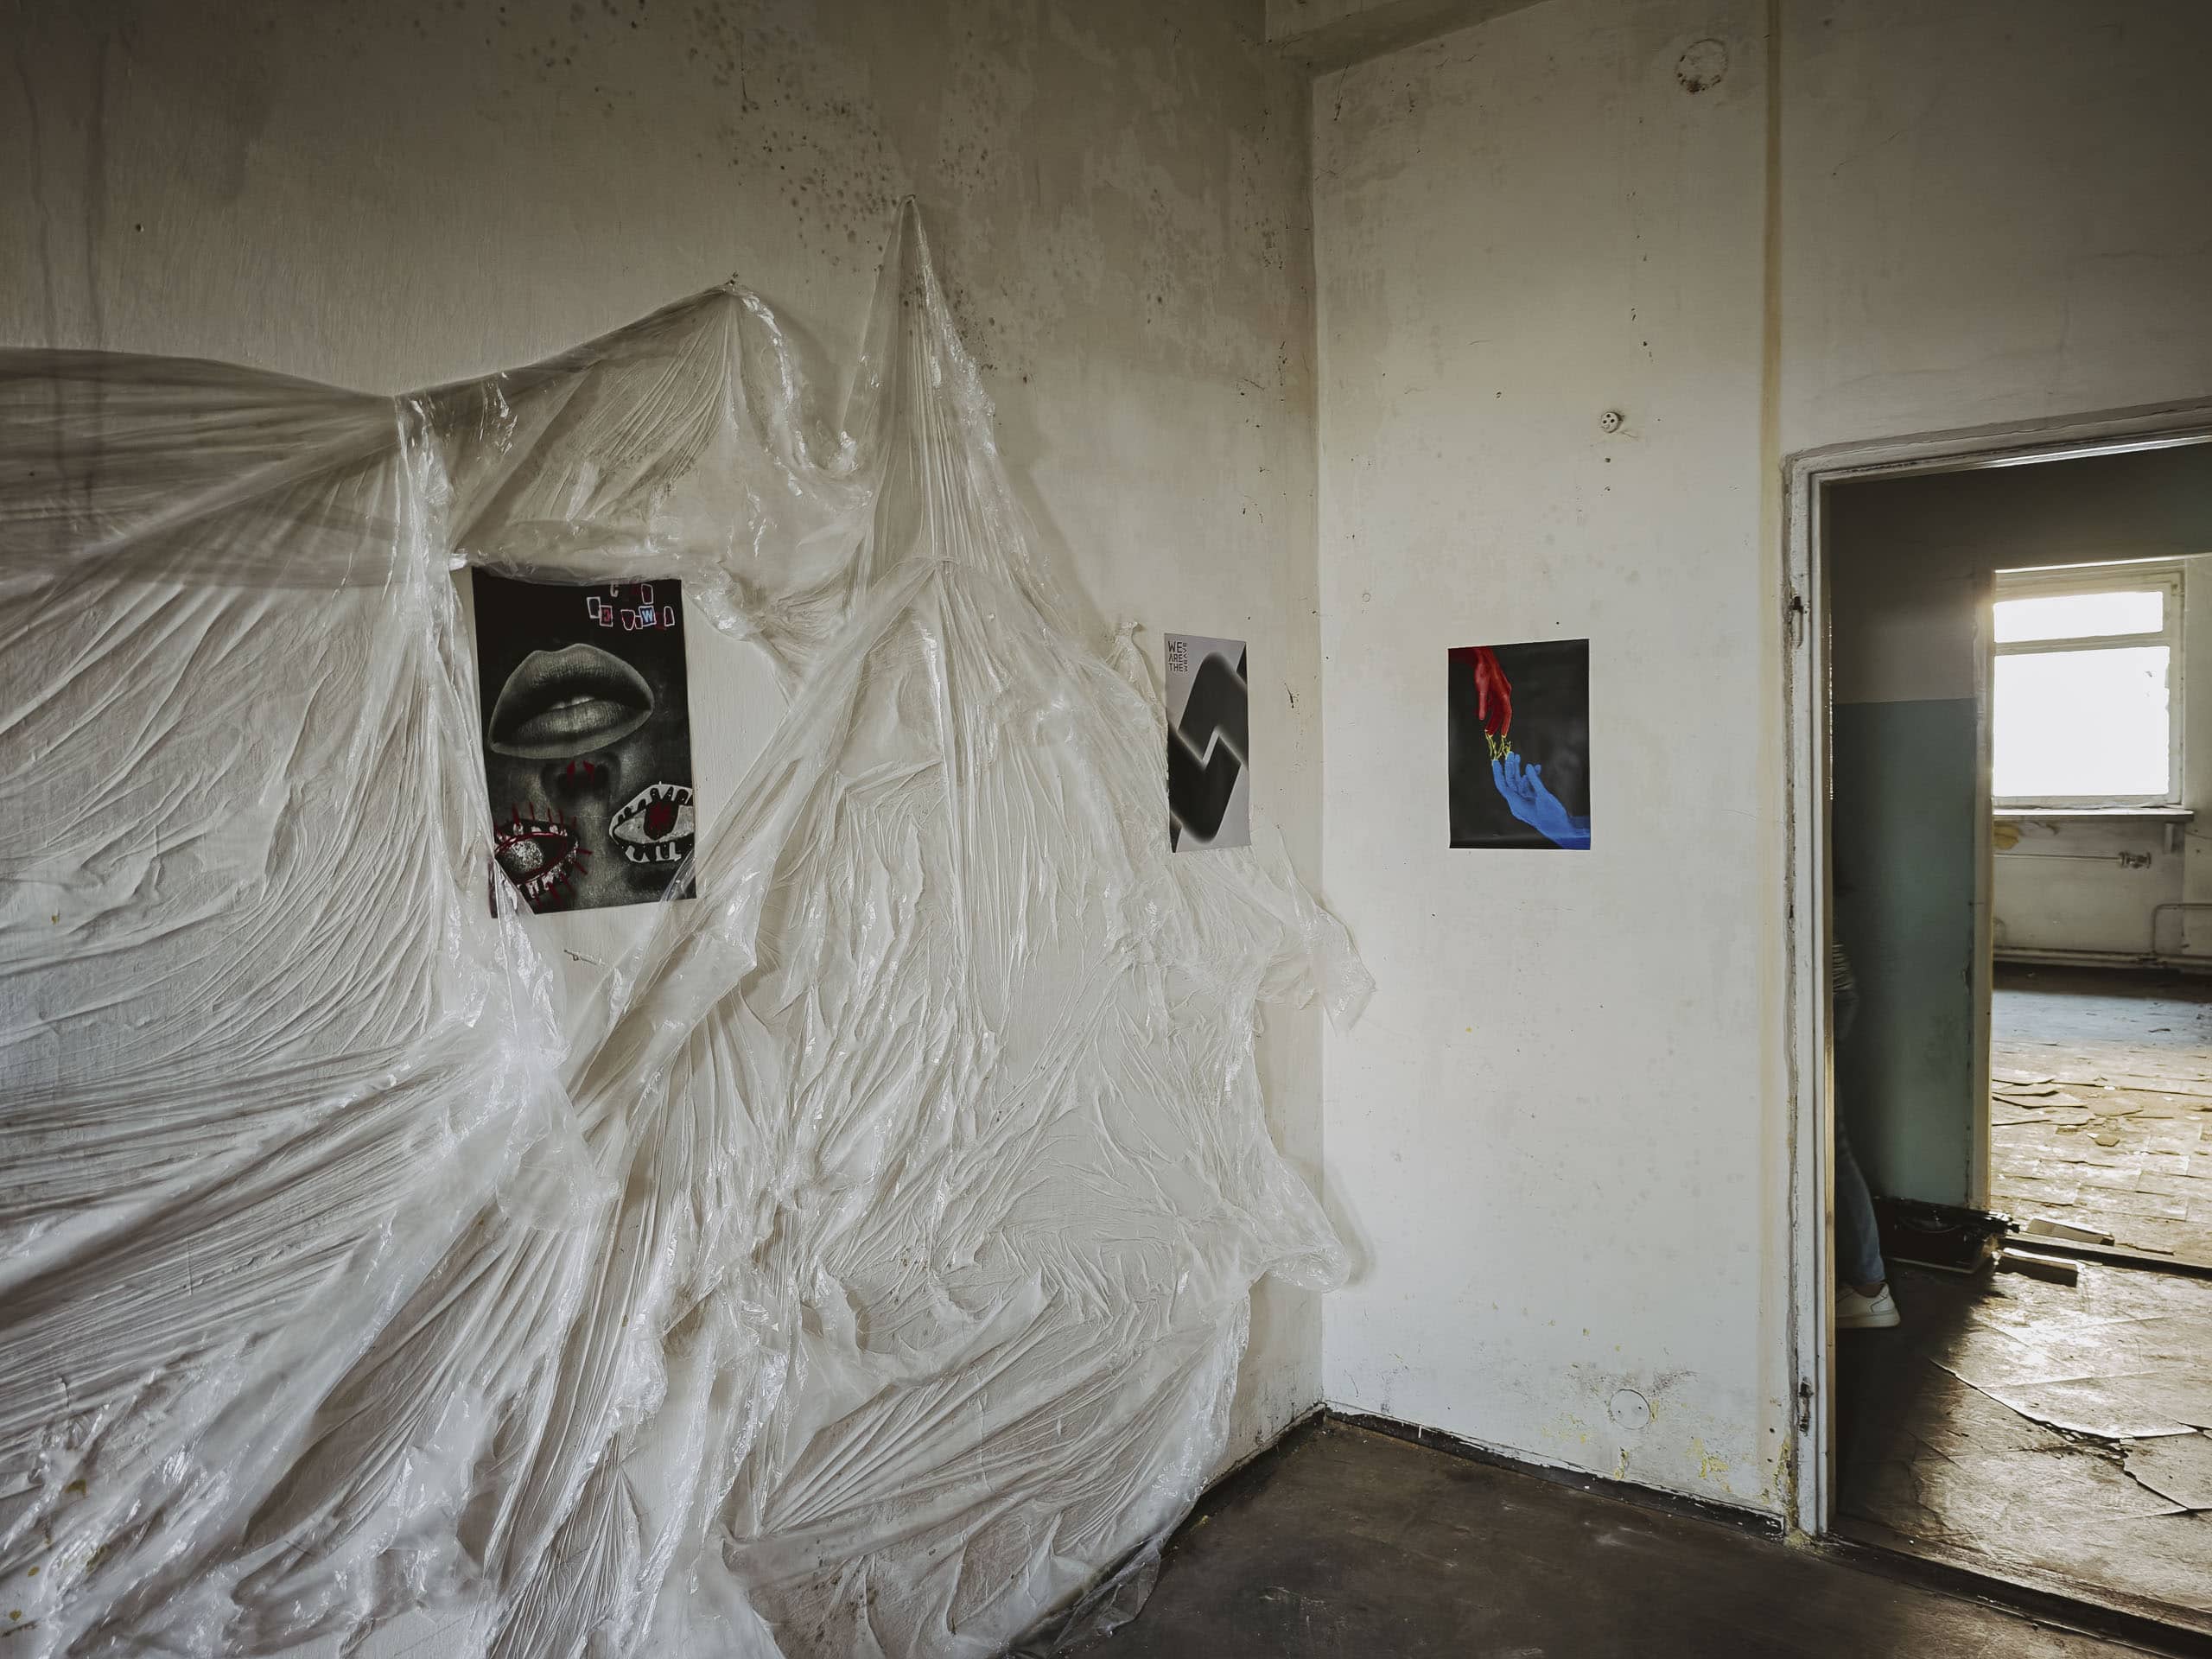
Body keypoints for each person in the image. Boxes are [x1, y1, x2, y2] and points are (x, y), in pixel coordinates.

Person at [1832, 943, 1900, 1329]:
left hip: (1815, 993)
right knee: (1831, 1149)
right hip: (1827, 990)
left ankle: (1869, 1290)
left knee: (1831, 1151)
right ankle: (1867, 1287)